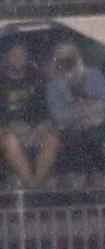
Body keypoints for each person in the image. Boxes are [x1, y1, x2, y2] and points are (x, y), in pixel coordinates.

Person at [45, 40, 105, 186]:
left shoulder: (93, 75)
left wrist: (94, 108)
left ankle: (98, 180)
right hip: (70, 128)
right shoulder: (53, 85)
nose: (66, 58)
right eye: (61, 55)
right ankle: (83, 182)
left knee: (97, 136)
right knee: (77, 139)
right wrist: (83, 111)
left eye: (69, 54)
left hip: (98, 124)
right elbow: (58, 114)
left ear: (76, 55)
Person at [0, 43, 59, 189]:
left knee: (52, 139)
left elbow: (44, 110)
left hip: (33, 129)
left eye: (22, 55)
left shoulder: (36, 80)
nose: (19, 59)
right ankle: (33, 187)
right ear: (6, 58)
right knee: (9, 140)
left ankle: (34, 187)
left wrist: (40, 127)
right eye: (14, 55)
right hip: (8, 131)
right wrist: (8, 126)